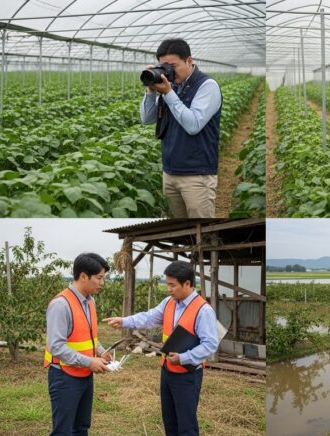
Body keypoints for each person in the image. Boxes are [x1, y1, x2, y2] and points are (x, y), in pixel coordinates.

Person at [104, 261, 218, 436]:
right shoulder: (169, 303)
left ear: (187, 284)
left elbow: (210, 344)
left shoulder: (203, 311)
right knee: (170, 421)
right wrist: (124, 321)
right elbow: (149, 318)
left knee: (186, 425)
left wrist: (184, 358)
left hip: (188, 374)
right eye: (167, 284)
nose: (168, 289)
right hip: (167, 370)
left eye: (172, 285)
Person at [140, 38, 223, 218]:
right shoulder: (168, 86)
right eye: (163, 66)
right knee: (181, 231)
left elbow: (193, 125)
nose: (169, 70)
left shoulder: (207, 86)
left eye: (173, 65)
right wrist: (150, 90)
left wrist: (169, 94)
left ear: (189, 61)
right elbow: (147, 119)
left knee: (202, 233)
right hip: (170, 172)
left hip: (196, 175)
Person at [44, 253, 113, 436]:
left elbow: (88, 335)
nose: (102, 283)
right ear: (83, 276)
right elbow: (56, 346)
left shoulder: (89, 301)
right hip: (64, 377)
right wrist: (89, 361)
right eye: (99, 278)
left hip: (84, 374)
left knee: (81, 427)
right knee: (63, 431)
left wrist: (100, 351)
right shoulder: (61, 304)